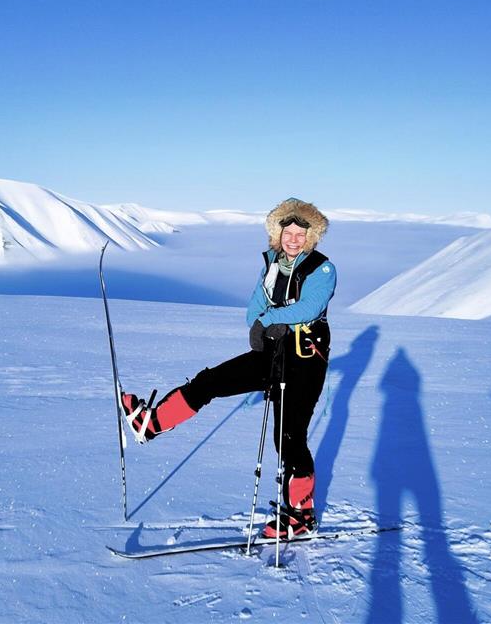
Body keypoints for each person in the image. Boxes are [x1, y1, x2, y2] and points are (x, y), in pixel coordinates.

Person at [121, 198, 336, 540]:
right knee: (212, 381)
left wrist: (271, 320)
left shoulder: (322, 269)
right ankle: (152, 423)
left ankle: (301, 516)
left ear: (311, 237)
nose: (293, 239)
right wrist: (260, 325)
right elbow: (255, 306)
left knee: (290, 439)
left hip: (305, 360)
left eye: (300, 233)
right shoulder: (272, 265)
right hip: (274, 351)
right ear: (277, 234)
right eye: (288, 231)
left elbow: (310, 307)